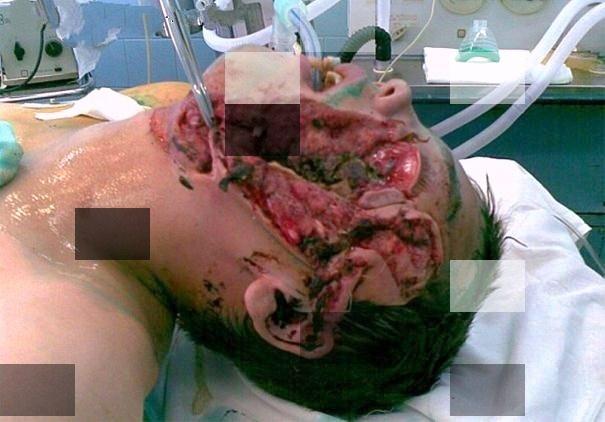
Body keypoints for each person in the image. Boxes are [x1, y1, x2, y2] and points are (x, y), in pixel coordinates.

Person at [0, 46, 502, 420]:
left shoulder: (53, 354)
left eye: (386, 169)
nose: (399, 93)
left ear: (291, 312)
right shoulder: (173, 111)